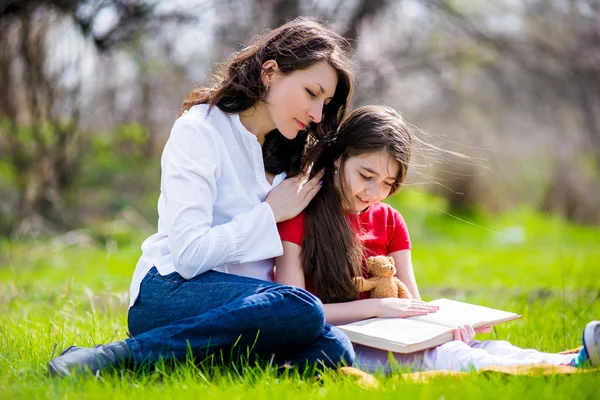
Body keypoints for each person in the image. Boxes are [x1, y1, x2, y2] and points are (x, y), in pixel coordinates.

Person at [48, 18, 357, 377]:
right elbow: (189, 254)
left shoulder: (290, 158)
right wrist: (268, 214)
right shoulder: (200, 131)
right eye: (311, 93)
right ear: (270, 72)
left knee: (334, 348)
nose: (317, 114)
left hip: (249, 310)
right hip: (170, 290)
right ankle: (116, 357)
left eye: (326, 102)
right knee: (302, 308)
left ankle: (186, 358)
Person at [275, 105, 600, 373]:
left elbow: (412, 303)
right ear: (339, 157)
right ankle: (566, 366)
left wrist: (445, 327)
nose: (375, 193)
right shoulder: (302, 216)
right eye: (366, 176)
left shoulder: (389, 220)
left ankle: (570, 360)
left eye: (388, 182)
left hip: (394, 336)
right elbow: (299, 311)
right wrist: (378, 306)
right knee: (446, 358)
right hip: (339, 343)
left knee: (471, 346)